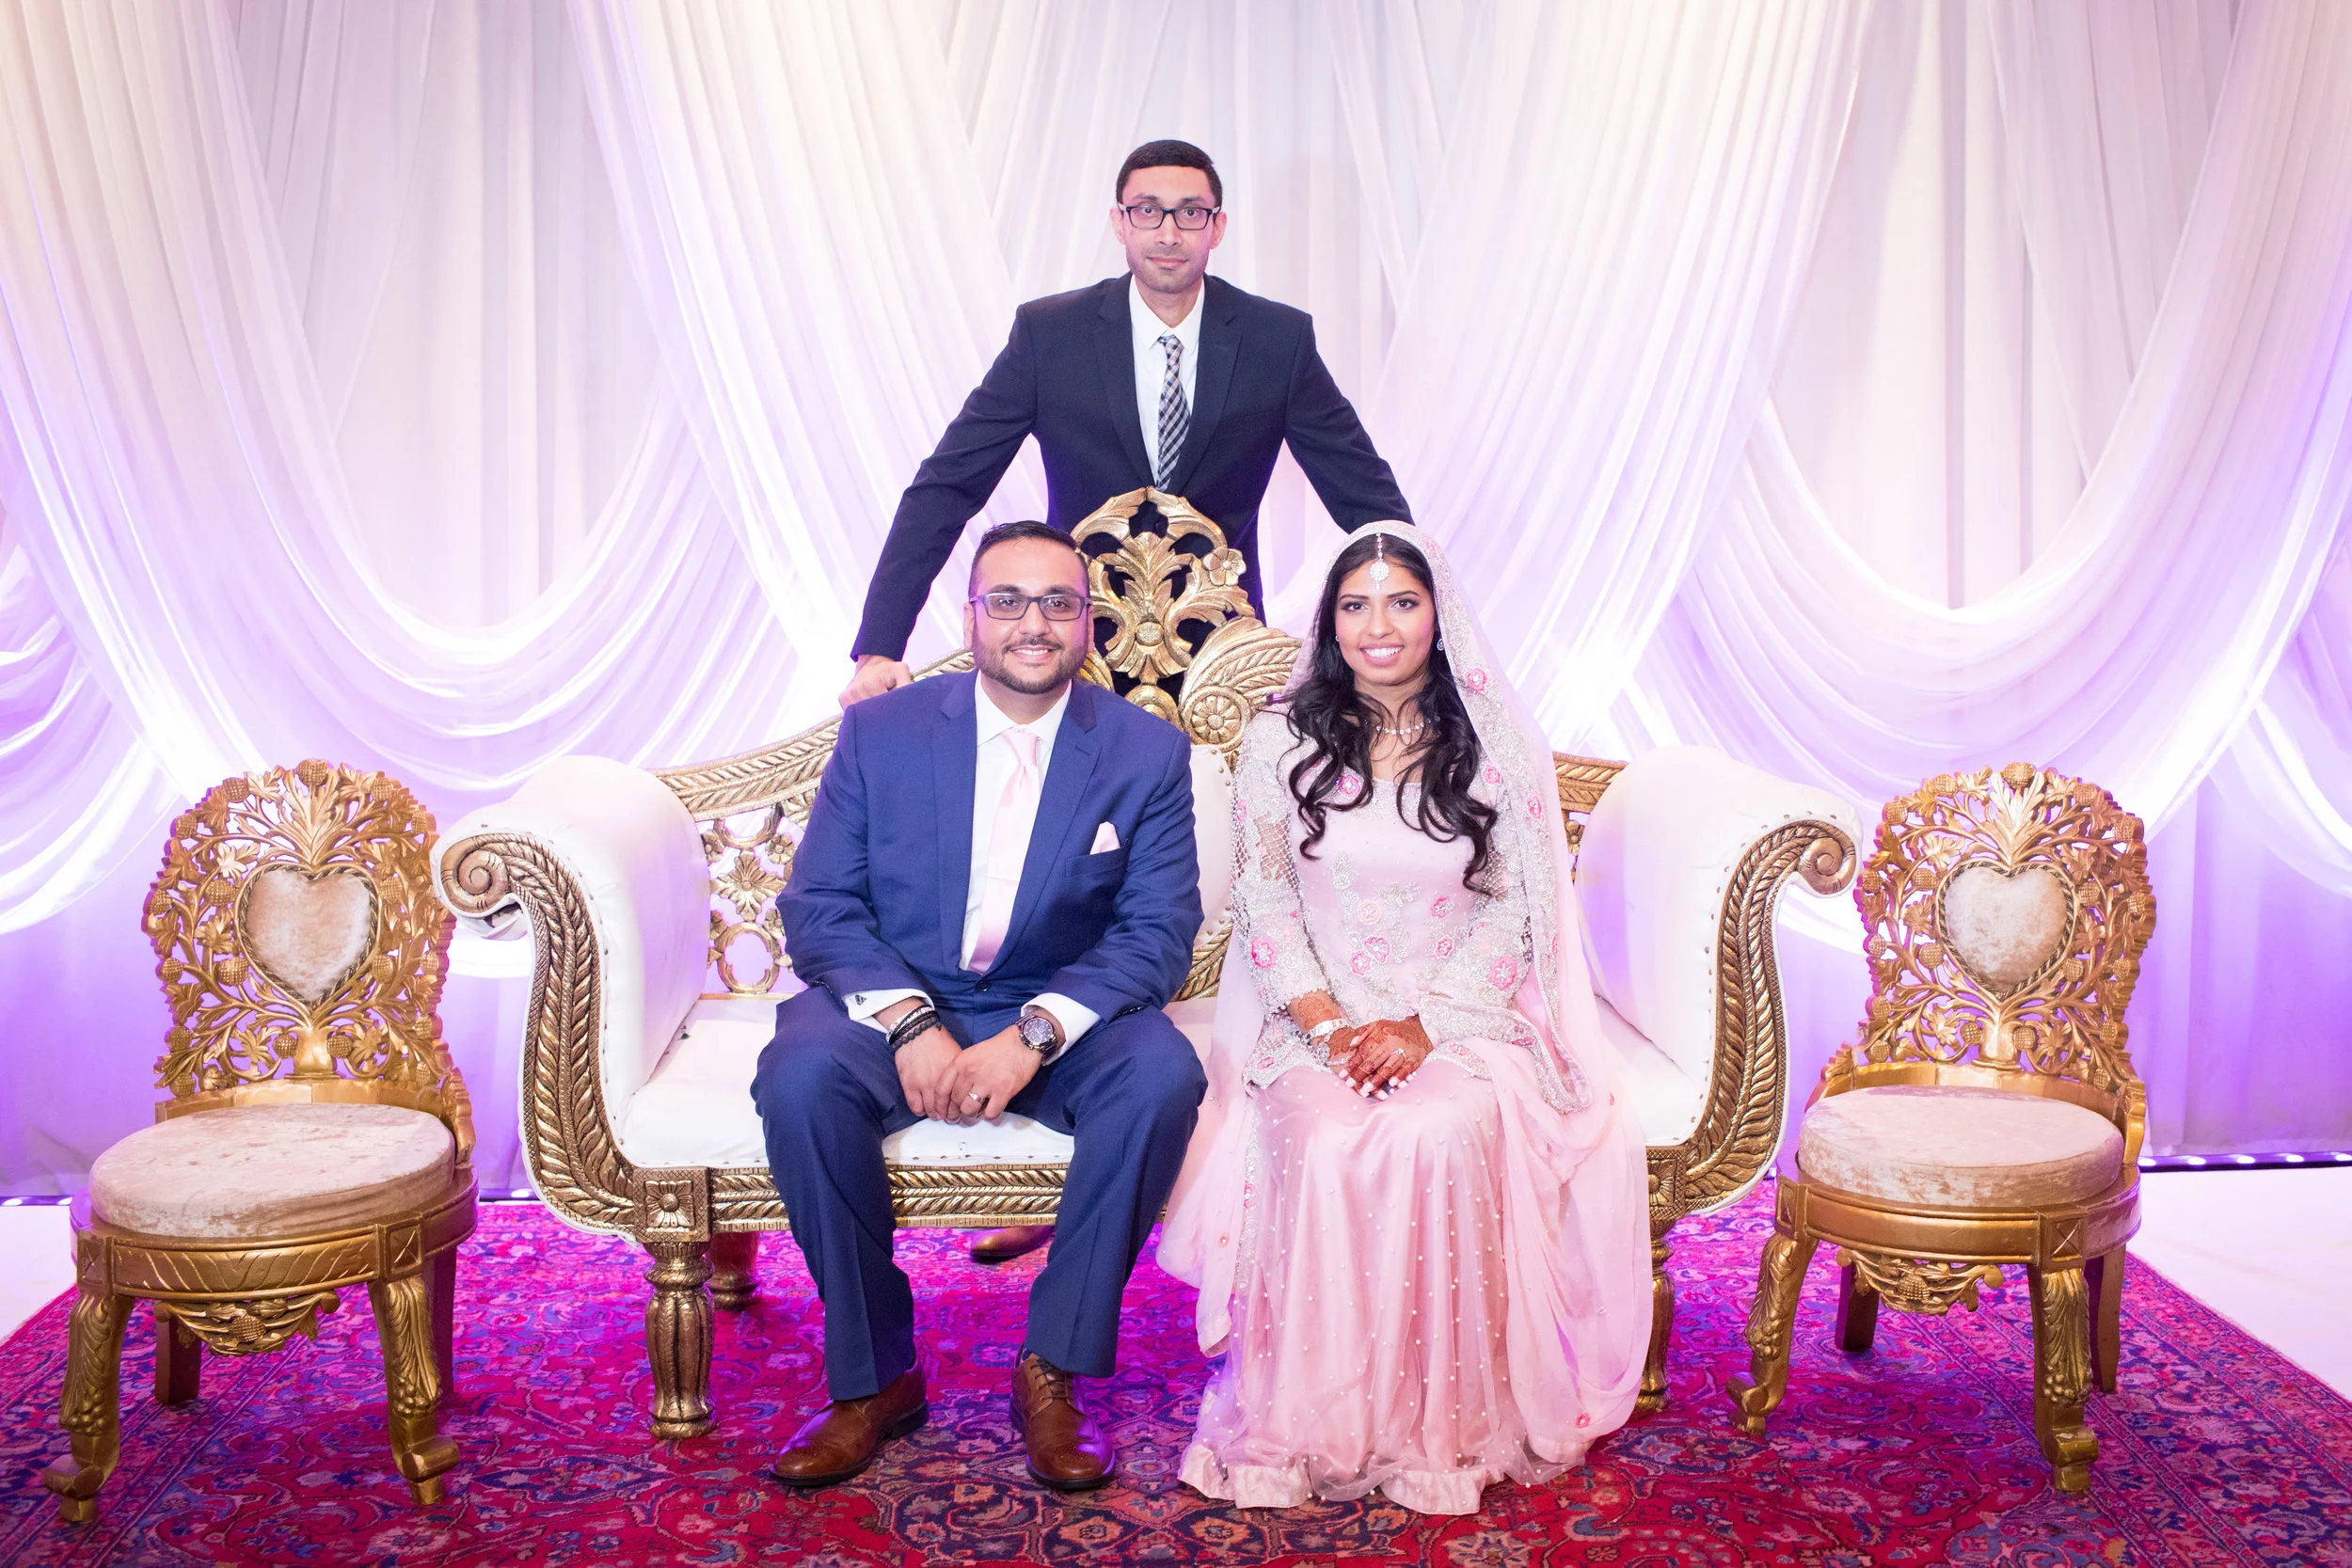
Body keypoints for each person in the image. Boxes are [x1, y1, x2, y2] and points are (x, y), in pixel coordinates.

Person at [1158, 522, 1652, 1515]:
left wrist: (1427, 1025)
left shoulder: (1494, 749)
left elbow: (1514, 911)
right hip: (1315, 1026)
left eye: (1400, 601)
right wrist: (1329, 1027)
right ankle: (1305, 1425)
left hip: (1461, 1024)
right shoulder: (1277, 742)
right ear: (1330, 622)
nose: (1377, 625)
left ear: (1438, 615)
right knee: (1322, 1132)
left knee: (1436, 1127)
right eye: (1355, 604)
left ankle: (1437, 1429)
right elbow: (1265, 901)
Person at [755, 521, 1208, 1493]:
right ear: (970, 618)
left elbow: (1157, 932)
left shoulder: (1145, 752)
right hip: (898, 991)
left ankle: (1053, 1366)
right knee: (800, 1075)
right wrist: (910, 1022)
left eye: (1057, 602)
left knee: (1162, 1074)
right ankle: (875, 1376)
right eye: (1007, 600)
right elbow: (819, 903)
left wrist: (1032, 1034)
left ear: (1088, 622)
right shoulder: (882, 732)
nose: (1031, 623)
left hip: (1055, 1005)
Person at [841, 138, 1411, 709]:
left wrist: (1419, 630)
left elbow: (1364, 497)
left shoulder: (1276, 341)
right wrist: (880, 648)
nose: (1169, 232)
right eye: (1147, 211)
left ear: (1217, 227)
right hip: (1074, 644)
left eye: (1190, 213)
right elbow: (947, 487)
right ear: (1120, 222)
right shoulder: (1050, 336)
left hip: (1225, 658)